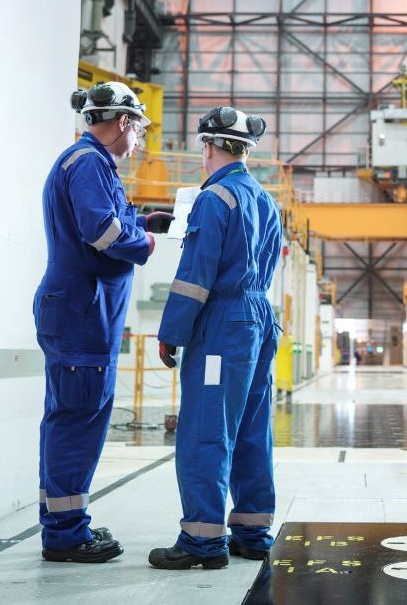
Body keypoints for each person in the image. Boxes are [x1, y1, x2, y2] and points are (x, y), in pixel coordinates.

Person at [33, 82, 173, 563]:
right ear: (121, 123)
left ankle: (63, 524)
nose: (138, 141)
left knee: (70, 418)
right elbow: (103, 231)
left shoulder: (86, 161)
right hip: (82, 312)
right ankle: (67, 535)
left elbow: (112, 216)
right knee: (77, 421)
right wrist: (145, 245)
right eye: (137, 129)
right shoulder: (91, 162)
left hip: (80, 311)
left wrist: (146, 219)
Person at [150, 106, 282, 570]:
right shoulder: (266, 200)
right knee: (251, 427)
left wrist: (171, 333)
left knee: (207, 430)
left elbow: (194, 278)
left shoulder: (215, 199)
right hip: (259, 318)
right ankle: (252, 532)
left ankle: (202, 540)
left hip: (223, 325)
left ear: (208, 147)